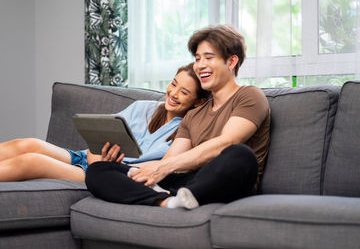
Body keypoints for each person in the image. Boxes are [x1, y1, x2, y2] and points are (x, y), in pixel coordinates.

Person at [85, 25, 271, 209]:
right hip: (186, 183)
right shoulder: (193, 115)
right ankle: (166, 201)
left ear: (231, 62)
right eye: (197, 59)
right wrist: (132, 168)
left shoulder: (250, 96)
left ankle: (186, 195)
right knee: (98, 170)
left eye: (209, 57)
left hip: (227, 183)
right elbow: (172, 160)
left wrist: (163, 168)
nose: (200, 65)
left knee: (240, 154)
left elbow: (227, 142)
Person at [0, 63, 209, 183]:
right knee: (26, 144)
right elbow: (97, 140)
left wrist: (104, 165)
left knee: (31, 161)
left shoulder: (185, 136)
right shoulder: (144, 108)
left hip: (108, 176)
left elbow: (158, 170)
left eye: (184, 92)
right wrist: (95, 155)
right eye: (174, 84)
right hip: (86, 160)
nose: (173, 93)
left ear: (197, 102)